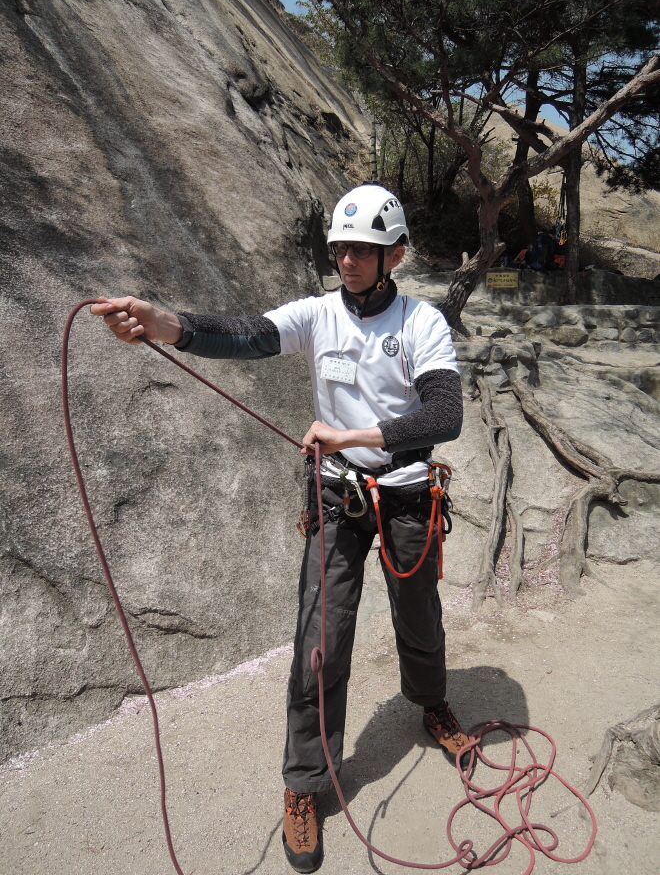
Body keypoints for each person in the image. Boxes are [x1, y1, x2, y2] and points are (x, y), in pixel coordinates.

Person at [91, 183, 467, 874]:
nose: (347, 261)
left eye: (362, 250)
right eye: (340, 249)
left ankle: (433, 703)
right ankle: (304, 782)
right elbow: (247, 334)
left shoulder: (422, 323)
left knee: (419, 614)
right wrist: (162, 323)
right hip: (338, 495)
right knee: (320, 639)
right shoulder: (318, 314)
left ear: (395, 255)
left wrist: (353, 434)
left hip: (408, 493)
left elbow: (445, 415)